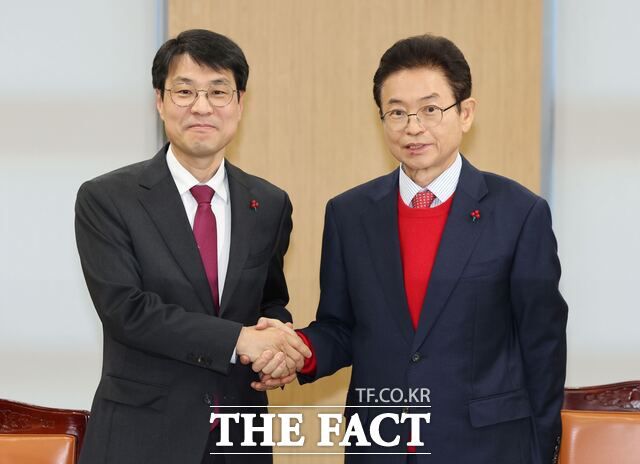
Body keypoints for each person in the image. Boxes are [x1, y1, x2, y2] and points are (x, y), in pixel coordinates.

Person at [250, 34, 568, 464]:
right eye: (397, 112)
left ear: (466, 113)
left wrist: (542, 452)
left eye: (430, 109)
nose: (413, 127)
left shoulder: (519, 213)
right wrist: (295, 352)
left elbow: (543, 346)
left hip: (486, 448)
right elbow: (342, 328)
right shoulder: (349, 214)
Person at [74, 29, 310, 464]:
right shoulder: (107, 199)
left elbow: (270, 300)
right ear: (160, 101)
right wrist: (240, 340)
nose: (202, 107)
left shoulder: (269, 203)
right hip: (141, 440)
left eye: (218, 91)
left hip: (240, 442)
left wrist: (277, 344)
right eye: (184, 91)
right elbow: (127, 311)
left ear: (240, 103)